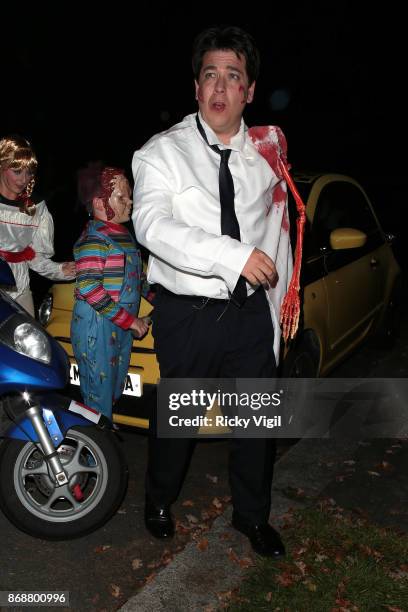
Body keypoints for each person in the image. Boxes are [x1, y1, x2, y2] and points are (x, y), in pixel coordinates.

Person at [132, 26, 293, 557]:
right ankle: (158, 500)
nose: (220, 87)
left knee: (255, 424)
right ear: (196, 89)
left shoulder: (266, 160)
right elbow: (152, 227)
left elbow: (277, 234)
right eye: (210, 75)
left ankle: (251, 517)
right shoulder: (162, 153)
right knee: (179, 424)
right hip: (188, 312)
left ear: (248, 91)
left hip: (250, 314)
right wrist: (233, 257)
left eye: (233, 76)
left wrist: (281, 306)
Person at [71, 166, 149, 420]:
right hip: (97, 325)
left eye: (128, 196)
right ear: (99, 202)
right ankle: (93, 439)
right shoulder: (95, 239)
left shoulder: (124, 235)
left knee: (112, 386)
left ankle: (100, 430)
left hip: (117, 325)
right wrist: (131, 321)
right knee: (97, 391)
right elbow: (89, 287)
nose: (130, 201)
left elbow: (139, 281)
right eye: (121, 197)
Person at [0, 135, 75, 315]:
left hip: (20, 290)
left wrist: (59, 269)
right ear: (1, 166)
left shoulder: (36, 208)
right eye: (17, 171)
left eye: (29, 172)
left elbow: (34, 256)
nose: (23, 179)